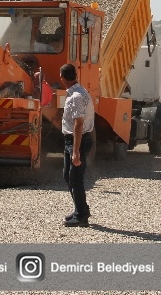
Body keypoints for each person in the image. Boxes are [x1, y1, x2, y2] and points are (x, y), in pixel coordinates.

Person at [59, 63, 95, 226]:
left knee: (75, 179)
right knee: (68, 176)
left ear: (62, 78)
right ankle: (80, 209)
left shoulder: (76, 97)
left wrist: (75, 151)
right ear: (76, 75)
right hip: (73, 140)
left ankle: (81, 216)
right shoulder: (80, 92)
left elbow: (78, 124)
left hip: (77, 140)